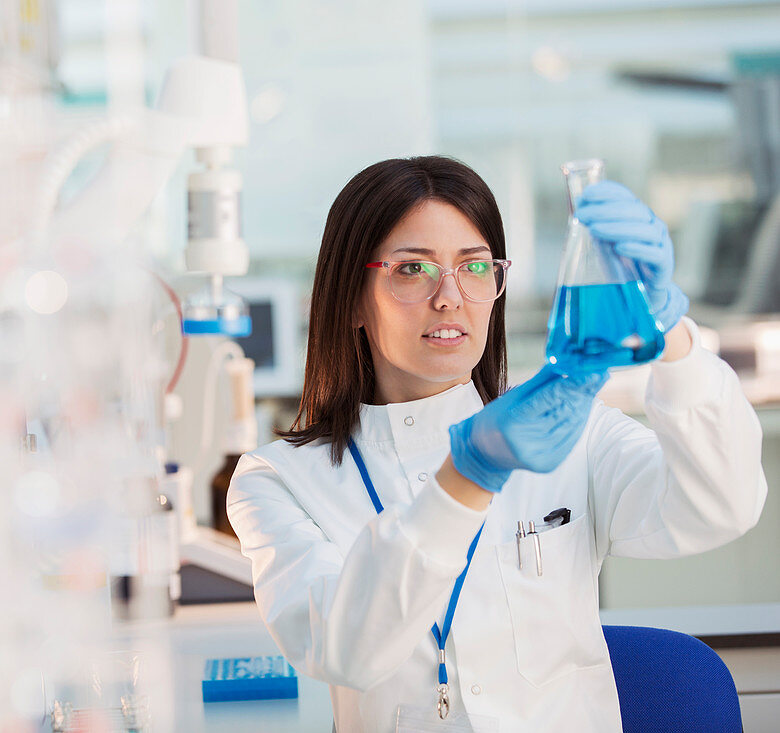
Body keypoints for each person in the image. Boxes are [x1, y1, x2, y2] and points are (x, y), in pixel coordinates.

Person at [225, 156, 767, 733]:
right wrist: (468, 475)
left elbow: (720, 506)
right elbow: (346, 650)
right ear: (352, 297)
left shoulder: (572, 430)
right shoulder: (277, 480)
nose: (450, 297)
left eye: (475, 267)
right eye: (413, 269)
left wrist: (673, 338)